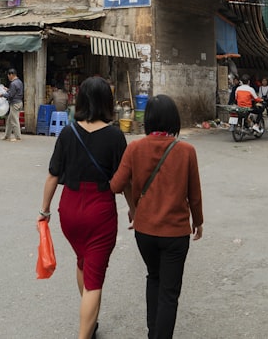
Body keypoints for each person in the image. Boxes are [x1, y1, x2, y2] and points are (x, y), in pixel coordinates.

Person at [39, 77, 129, 339]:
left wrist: (44, 211)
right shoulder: (114, 136)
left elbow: (53, 175)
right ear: (106, 102)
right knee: (94, 280)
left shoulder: (68, 132)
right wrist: (134, 209)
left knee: (82, 261)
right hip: (99, 210)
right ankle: (84, 333)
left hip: (69, 209)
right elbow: (125, 183)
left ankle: (90, 320)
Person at [111, 95, 203, 339]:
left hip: (145, 231)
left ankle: (154, 331)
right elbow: (194, 194)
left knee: (154, 277)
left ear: (149, 119)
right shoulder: (186, 151)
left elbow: (116, 184)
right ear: (174, 119)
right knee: (169, 292)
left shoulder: (135, 148)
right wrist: (199, 221)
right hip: (175, 233)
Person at [3, 68, 24, 142]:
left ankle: (18, 137)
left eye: (8, 75)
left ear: (11, 75)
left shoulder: (13, 83)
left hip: (15, 103)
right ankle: (7, 136)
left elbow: (10, 95)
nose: (8, 77)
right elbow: (15, 92)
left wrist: (2, 94)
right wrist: (8, 90)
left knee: (14, 120)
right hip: (19, 102)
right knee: (9, 120)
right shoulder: (19, 82)